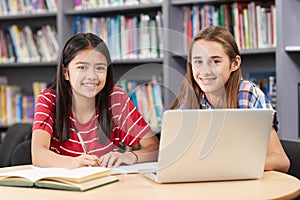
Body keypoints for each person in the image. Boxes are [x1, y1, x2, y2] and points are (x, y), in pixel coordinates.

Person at [170, 25, 290, 173]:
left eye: (215, 61)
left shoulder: (247, 94)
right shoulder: (190, 98)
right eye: (198, 62)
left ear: (234, 64)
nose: (205, 71)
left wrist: (227, 166)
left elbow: (281, 161)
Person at [32, 33, 159, 169]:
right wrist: (75, 163)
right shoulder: (49, 100)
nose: (92, 76)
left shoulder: (116, 99)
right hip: (64, 186)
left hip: (107, 186)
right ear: (65, 73)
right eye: (82, 67)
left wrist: (129, 156)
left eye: (100, 68)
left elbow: (155, 148)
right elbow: (38, 154)